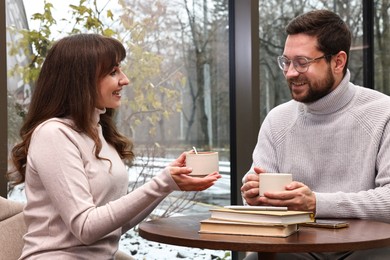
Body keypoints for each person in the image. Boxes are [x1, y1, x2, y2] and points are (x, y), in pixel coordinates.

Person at [6, 33, 221, 260]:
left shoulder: (98, 132)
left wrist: (169, 185)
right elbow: (86, 227)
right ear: (81, 79)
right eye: (113, 72)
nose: (125, 80)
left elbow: (113, 226)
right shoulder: (54, 134)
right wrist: (160, 183)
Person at [241, 9, 390, 259]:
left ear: (338, 62)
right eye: (286, 62)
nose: (290, 73)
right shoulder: (278, 120)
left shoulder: (383, 113)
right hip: (297, 248)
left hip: (370, 247)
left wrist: (316, 203)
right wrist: (253, 194)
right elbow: (256, 200)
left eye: (302, 63)